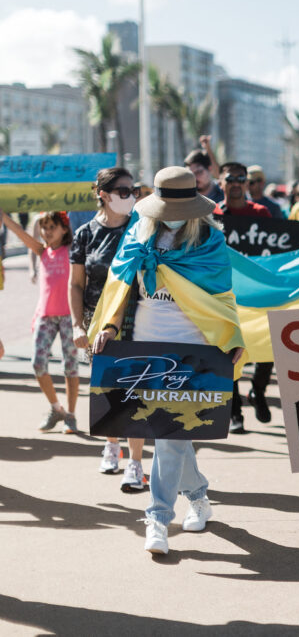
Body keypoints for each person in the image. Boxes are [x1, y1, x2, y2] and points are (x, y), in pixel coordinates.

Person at [90, 165, 246, 554]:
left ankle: (157, 518)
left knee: (169, 438)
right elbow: (120, 286)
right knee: (169, 435)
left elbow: (222, 300)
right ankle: (198, 496)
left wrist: (231, 338)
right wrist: (108, 326)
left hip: (192, 352)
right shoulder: (138, 234)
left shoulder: (210, 242)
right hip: (144, 349)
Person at [70, 167, 148, 489]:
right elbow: (75, 284)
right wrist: (77, 324)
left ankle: (136, 462)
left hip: (137, 321)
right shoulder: (85, 234)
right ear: (103, 194)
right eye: (124, 191)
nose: (131, 196)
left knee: (134, 392)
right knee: (108, 389)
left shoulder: (142, 230)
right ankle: (111, 444)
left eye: (133, 190)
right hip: (96, 322)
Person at [1, 210, 79, 433]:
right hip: (45, 315)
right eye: (44, 227)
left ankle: (71, 415)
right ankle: (56, 408)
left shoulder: (71, 251)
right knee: (38, 363)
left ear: (65, 229)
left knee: (70, 367)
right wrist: (5, 217)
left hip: (68, 316)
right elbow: (22, 234)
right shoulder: (42, 252)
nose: (47, 232)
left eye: (52, 227)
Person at [213, 162, 271, 433]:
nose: (236, 182)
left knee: (267, 342)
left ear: (247, 183)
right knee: (229, 349)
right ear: (220, 182)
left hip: (257, 293)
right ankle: (235, 412)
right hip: (225, 293)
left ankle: (258, 391)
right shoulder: (211, 213)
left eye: (241, 178)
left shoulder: (261, 212)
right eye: (230, 178)